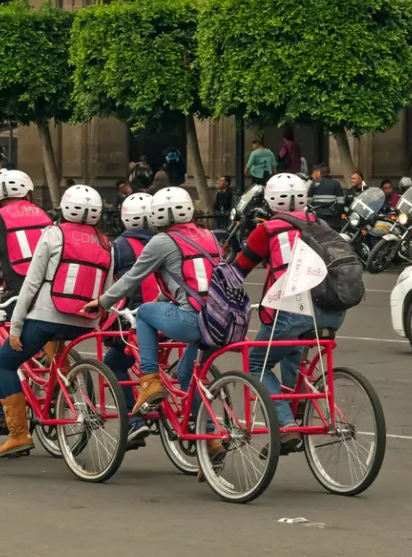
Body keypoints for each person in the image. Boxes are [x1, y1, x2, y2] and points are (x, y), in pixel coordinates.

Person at [86, 187, 226, 466]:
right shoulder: (208, 236)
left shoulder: (162, 241)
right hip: (223, 321)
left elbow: (132, 279)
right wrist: (162, 301)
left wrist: (102, 302)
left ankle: (149, 381)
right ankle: (211, 438)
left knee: (146, 313)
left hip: (193, 320)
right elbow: (187, 284)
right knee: (186, 375)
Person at [0, 184, 112, 459]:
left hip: (48, 317)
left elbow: (32, 283)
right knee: (57, 355)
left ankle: (18, 434)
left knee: (4, 362)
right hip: (85, 322)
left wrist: (16, 326)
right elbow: (107, 288)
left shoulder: (53, 234)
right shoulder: (107, 243)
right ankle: (57, 400)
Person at [234, 173, 346, 453]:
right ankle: (298, 410)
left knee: (256, 362)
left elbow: (238, 270)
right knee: (292, 352)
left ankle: (286, 426)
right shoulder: (320, 224)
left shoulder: (268, 229)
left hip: (292, 310)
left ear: (270, 201)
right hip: (333, 311)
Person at [0, 169, 51, 431]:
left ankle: (2, 413)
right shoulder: (44, 216)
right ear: (28, 193)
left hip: (16, 297)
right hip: (52, 296)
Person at [98, 192, 158, 449]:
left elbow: (109, 283)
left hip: (134, 319)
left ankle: (133, 421)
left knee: (114, 363)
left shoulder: (118, 247)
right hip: (169, 316)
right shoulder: (165, 240)